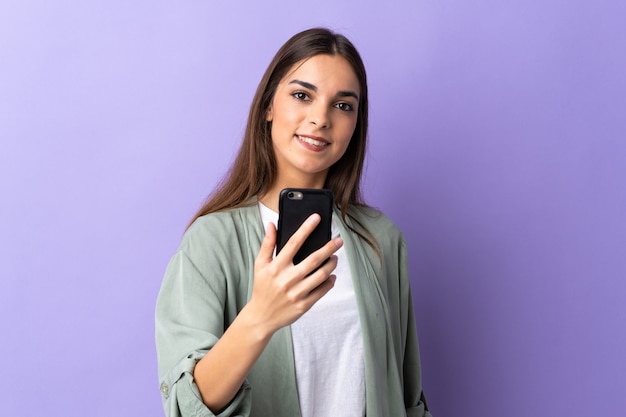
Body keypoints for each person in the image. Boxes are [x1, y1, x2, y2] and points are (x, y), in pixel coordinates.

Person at [155, 27, 432, 417]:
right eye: (302, 95)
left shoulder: (381, 239)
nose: (320, 119)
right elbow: (186, 407)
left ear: (356, 123)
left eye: (343, 105)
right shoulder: (211, 241)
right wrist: (260, 317)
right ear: (269, 106)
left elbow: (408, 399)